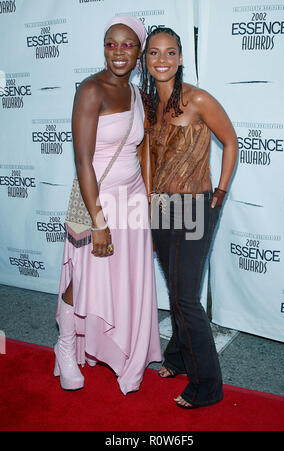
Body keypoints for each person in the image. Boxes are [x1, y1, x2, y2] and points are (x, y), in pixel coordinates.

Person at [54, 16, 162, 396]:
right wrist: (98, 222)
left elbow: (141, 150)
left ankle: (123, 350)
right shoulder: (90, 90)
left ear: (138, 54)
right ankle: (65, 348)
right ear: (104, 47)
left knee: (122, 278)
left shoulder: (137, 95)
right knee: (82, 278)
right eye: (111, 43)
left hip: (131, 196)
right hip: (94, 197)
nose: (118, 51)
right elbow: (82, 160)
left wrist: (147, 202)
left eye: (127, 44)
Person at [139, 27, 238, 409]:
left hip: (195, 207)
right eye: (154, 54)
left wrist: (221, 191)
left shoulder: (197, 99)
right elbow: (148, 155)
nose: (162, 60)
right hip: (161, 208)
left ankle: (208, 386)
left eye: (170, 53)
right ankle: (178, 358)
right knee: (177, 291)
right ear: (146, 61)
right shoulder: (150, 105)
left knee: (185, 298)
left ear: (180, 58)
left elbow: (230, 140)